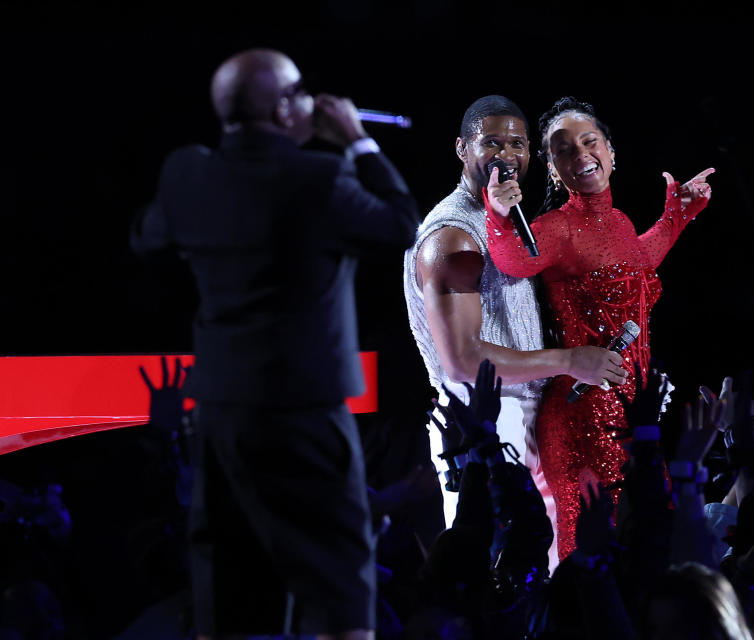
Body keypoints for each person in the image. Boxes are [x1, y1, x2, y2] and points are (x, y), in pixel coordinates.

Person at [131, 48, 419, 639]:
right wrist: (357, 142)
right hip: (304, 413)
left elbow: (148, 237)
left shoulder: (187, 173)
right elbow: (398, 226)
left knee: (231, 585)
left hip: (221, 416)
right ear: (286, 106)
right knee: (340, 582)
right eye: (299, 91)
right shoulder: (318, 177)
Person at [484, 96, 714, 559]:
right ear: (553, 169)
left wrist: (677, 216)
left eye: (589, 143)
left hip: (635, 416)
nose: (581, 155)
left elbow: (634, 262)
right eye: (564, 150)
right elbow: (512, 258)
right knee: (591, 561)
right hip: (582, 418)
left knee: (653, 548)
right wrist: (497, 213)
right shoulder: (557, 228)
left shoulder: (618, 220)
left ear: (611, 152)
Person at [402, 96, 626, 565]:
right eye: (492, 143)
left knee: (546, 568)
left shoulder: (505, 221)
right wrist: (570, 360)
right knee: (501, 574)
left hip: (525, 410)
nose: (506, 155)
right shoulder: (452, 235)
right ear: (463, 149)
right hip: (484, 418)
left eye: (518, 144)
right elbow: (463, 361)